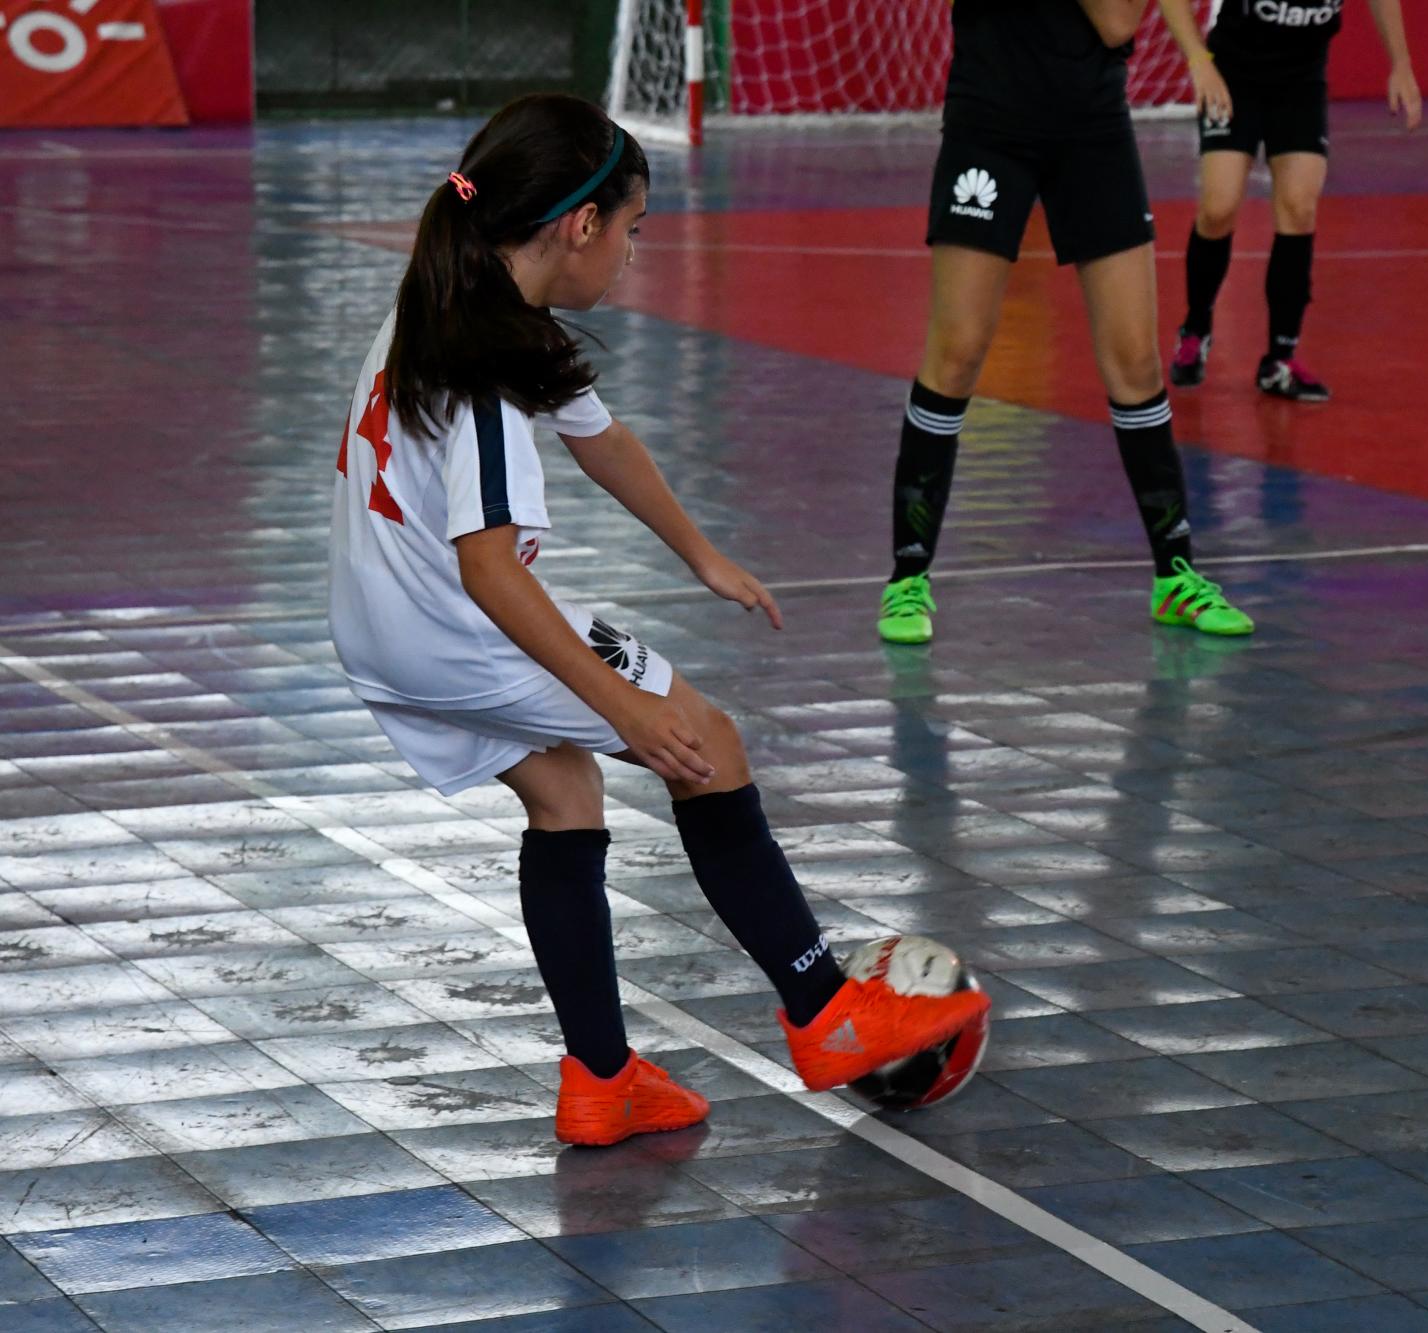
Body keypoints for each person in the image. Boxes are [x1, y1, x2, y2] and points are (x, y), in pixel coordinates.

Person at [328, 94, 989, 1147]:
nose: (634, 255)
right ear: (579, 225)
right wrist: (623, 709)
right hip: (453, 622)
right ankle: (826, 1013)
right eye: (633, 229)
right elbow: (493, 571)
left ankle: (601, 1079)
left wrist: (700, 552)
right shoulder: (490, 374)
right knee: (705, 746)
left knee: (564, 792)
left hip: (377, 621)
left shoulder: (457, 297)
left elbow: (602, 437)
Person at [876, 0, 1257, 646]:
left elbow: (1119, 23)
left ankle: (1175, 573)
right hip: (990, 124)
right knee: (958, 348)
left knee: (1135, 359)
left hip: (1092, 127)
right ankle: (907, 575)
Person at [1160, 0, 1422, 401]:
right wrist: (1199, 60)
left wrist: (1400, 63)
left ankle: (1280, 359)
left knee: (1299, 207)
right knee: (1218, 207)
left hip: (1300, 81)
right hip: (1234, 76)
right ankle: (1196, 327)